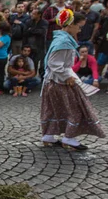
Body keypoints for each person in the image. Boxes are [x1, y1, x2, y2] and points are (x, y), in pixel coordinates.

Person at [40, 9, 105, 151]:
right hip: (59, 82)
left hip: (53, 81)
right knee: (75, 109)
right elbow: (54, 64)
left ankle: (49, 136)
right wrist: (67, 77)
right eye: (79, 26)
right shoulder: (64, 42)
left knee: (54, 109)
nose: (80, 29)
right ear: (70, 25)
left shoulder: (62, 39)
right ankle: (68, 138)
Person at [24, 8, 49, 76]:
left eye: (34, 14)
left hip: (39, 46)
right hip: (29, 45)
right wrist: (34, 30)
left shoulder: (44, 22)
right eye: (32, 13)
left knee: (40, 63)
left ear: (39, 15)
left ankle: (40, 77)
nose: (32, 15)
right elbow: (26, 32)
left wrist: (31, 30)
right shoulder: (29, 21)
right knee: (30, 63)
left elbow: (42, 32)